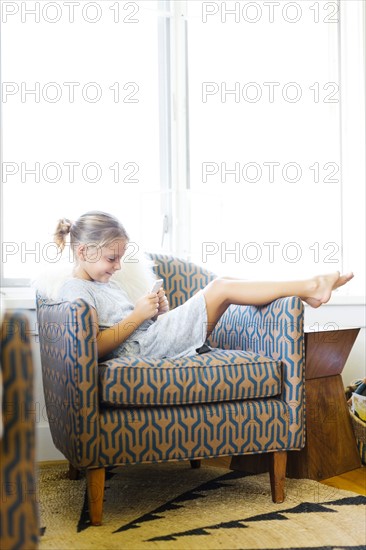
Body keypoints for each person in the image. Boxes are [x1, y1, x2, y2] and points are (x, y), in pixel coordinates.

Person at [55, 211, 354, 361]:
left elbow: (130, 323)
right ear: (84, 252)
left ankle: (308, 290)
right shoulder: (75, 291)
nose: (118, 267)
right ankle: (311, 286)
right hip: (144, 347)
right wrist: (137, 316)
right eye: (111, 258)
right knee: (221, 287)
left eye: (120, 259)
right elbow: (91, 348)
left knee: (226, 284)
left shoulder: (104, 284)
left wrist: (157, 311)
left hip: (152, 336)